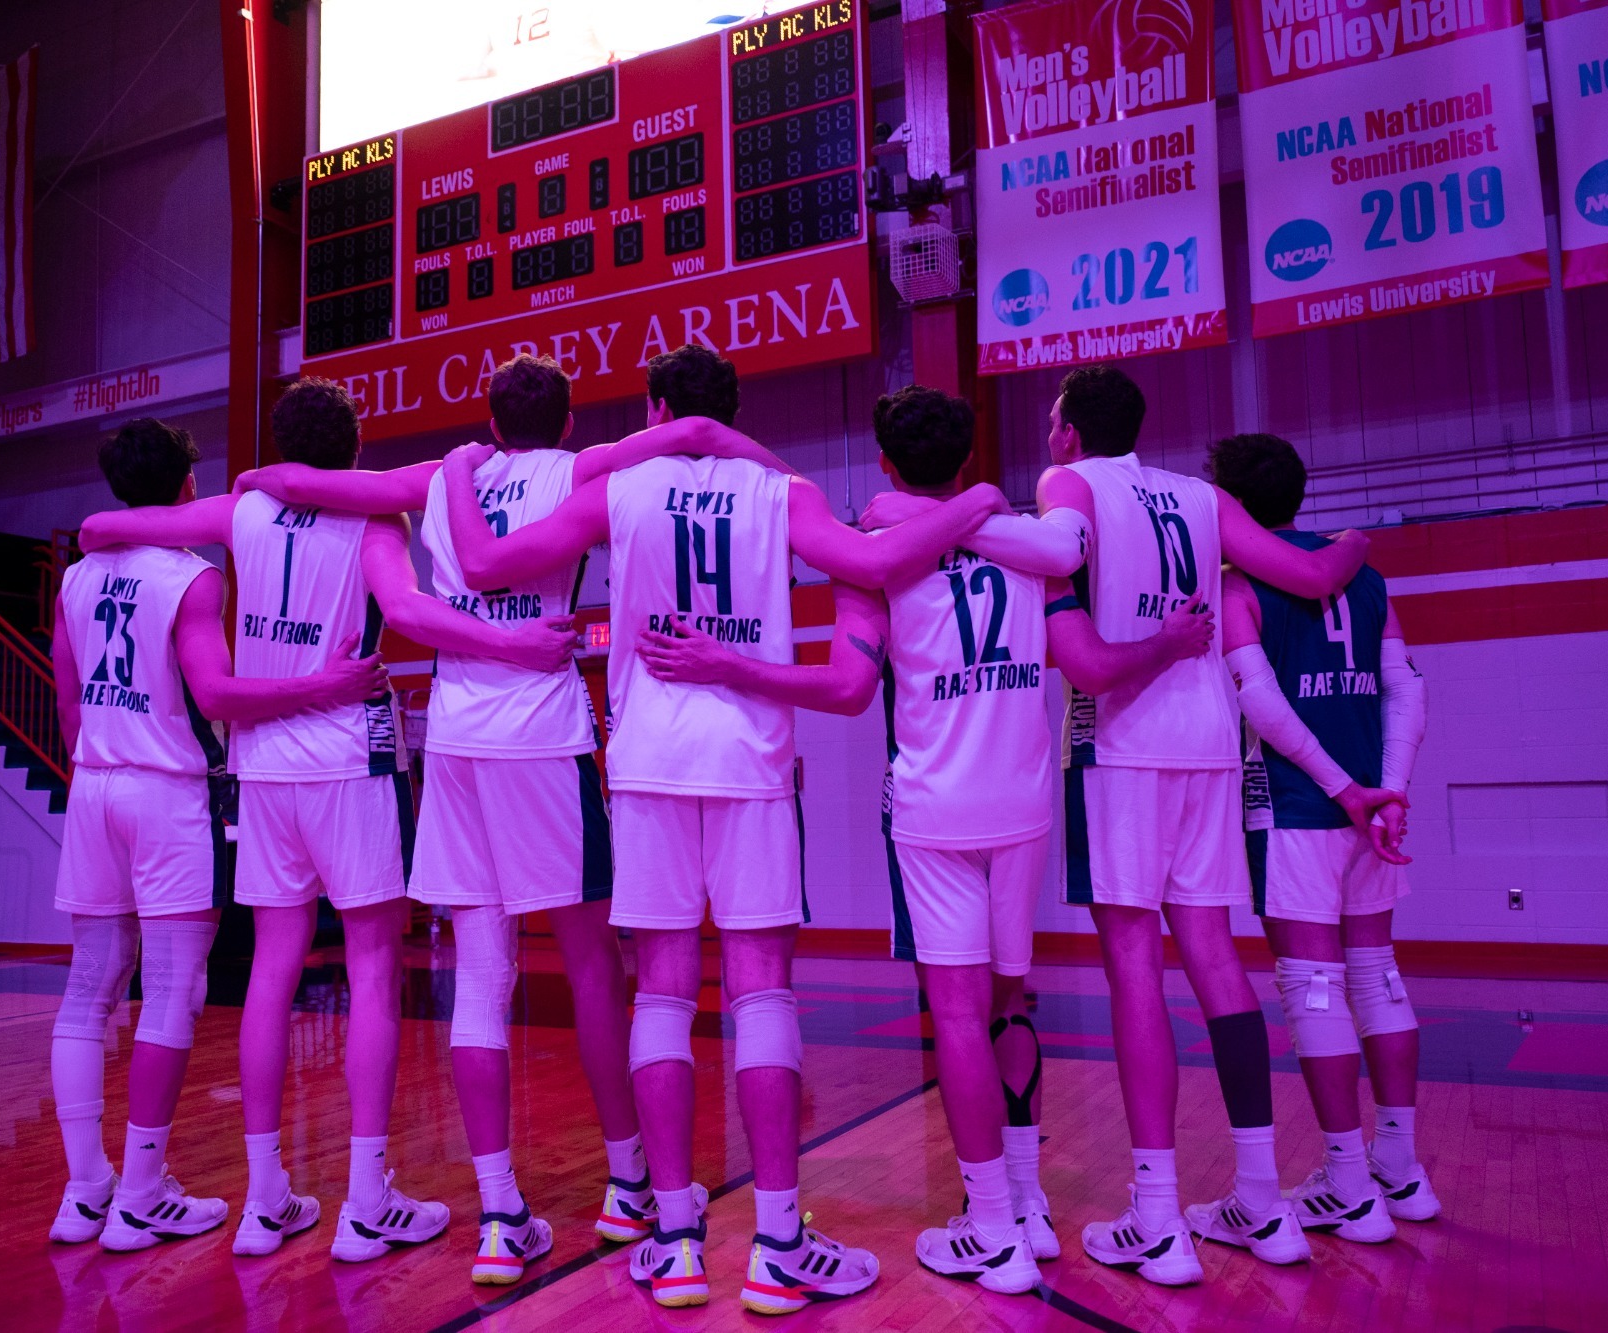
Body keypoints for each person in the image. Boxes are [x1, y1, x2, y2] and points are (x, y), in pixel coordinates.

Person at [439, 345, 1014, 1313]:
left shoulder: (619, 487)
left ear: (656, 409)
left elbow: (489, 562)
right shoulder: (775, 490)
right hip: (747, 763)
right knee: (760, 994)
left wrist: (458, 470)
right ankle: (777, 1241)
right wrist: (980, 499)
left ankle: (671, 1239)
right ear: (731, 411)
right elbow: (876, 558)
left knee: (660, 994)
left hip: (648, 761)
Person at [644, 384, 1214, 1295]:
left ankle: (991, 1224)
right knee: (1011, 1000)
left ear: (885, 465)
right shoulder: (1036, 549)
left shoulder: (876, 561)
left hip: (934, 809)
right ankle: (1027, 1203)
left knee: (954, 1013)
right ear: (966, 457)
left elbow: (843, 691)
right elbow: (1073, 592)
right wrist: (977, 505)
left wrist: (724, 663)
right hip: (1024, 804)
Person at [235, 354, 767, 1284]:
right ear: (566, 424)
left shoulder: (449, 476)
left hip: (453, 736)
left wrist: (260, 478)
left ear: (488, 415)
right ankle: (627, 1179)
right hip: (541, 733)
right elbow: (683, 435)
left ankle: (497, 1211)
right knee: (595, 963)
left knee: (480, 970)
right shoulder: (585, 467)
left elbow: (305, 482)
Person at [79, 379, 577, 1264]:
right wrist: (516, 641)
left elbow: (111, 530)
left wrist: (105, 527)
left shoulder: (244, 510)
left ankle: (264, 1197)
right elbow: (420, 615)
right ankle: (364, 1197)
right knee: (373, 968)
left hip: (261, 761)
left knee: (273, 968)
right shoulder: (368, 521)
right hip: (347, 755)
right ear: (353, 453)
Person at [1034, 365, 1371, 1285]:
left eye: (1051, 420)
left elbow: (1084, 652)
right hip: (1211, 745)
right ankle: (1263, 1199)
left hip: (1125, 745)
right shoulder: (1201, 494)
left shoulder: (1068, 486)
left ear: (1068, 430)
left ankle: (1155, 1213)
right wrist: (1355, 538)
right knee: (1217, 955)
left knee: (1134, 963)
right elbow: (1308, 571)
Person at [46, 417, 393, 1252]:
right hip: (170, 790)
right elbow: (216, 695)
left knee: (88, 987)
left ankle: (83, 1190)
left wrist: (101, 765)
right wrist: (327, 684)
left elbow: (66, 701)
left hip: (94, 782)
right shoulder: (193, 579)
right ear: (185, 483)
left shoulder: (75, 578)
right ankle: (137, 1194)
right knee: (172, 991)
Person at [1208, 432, 1436, 1237]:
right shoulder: (1363, 575)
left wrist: (1343, 790)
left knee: (1313, 988)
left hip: (1303, 807)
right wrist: (1390, 790)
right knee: (1376, 975)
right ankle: (1401, 1172)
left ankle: (1349, 1180)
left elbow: (1262, 706)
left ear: (1227, 503)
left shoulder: (1239, 586)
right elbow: (1406, 689)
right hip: (1373, 809)